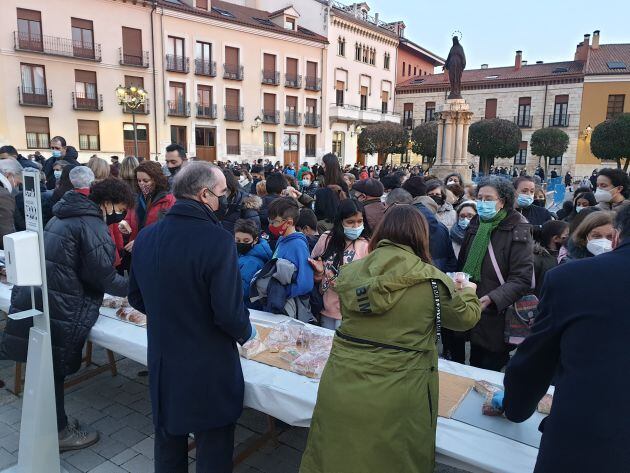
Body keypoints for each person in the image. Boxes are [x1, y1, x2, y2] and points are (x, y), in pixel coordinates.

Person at [300, 205, 480, 473]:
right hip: (400, 390)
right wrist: (468, 292)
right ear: (421, 237)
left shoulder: (352, 272)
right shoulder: (432, 282)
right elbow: (465, 318)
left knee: (337, 455)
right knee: (393, 458)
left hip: (343, 379)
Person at [128, 162, 254, 472]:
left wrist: (169, 314)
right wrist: (246, 332)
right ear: (205, 194)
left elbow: (136, 297)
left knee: (169, 443)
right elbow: (228, 313)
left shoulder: (146, 236)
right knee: (213, 447)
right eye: (222, 194)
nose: (224, 200)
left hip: (164, 360)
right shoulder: (217, 239)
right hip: (208, 364)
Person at [1, 177, 134, 450]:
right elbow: (104, 277)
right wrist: (136, 287)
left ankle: (53, 424)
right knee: (55, 367)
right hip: (63, 304)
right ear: (106, 203)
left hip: (47, 298)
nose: (119, 214)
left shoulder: (64, 214)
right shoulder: (91, 224)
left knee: (49, 367)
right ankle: (58, 432)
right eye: (119, 207)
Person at [495, 206, 630, 473]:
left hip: (587, 442)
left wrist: (515, 406)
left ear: (616, 237)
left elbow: (535, 359)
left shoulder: (574, 279)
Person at [458, 176, 534, 371]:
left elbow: (522, 278)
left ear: (503, 201)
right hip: (471, 306)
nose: (483, 203)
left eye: (489, 198)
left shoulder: (518, 227)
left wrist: (493, 298)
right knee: (474, 362)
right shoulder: (477, 222)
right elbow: (463, 262)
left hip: (498, 312)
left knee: (490, 366)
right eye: (480, 197)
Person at [309, 199, 370, 330]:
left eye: (360, 221)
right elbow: (313, 272)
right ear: (340, 221)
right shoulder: (326, 239)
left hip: (351, 313)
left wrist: (344, 285)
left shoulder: (366, 245)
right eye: (350, 222)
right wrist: (319, 273)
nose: (355, 226)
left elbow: (369, 284)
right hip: (324, 309)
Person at [402, 176, 457, 272]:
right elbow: (451, 260)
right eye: (431, 194)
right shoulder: (441, 226)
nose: (435, 197)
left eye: (437, 194)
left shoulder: (404, 221)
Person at [122, 161, 176, 254]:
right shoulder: (136, 198)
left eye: (145, 181)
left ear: (156, 180)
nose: (141, 184)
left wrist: (142, 242)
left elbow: (170, 230)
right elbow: (128, 219)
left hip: (157, 253)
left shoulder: (169, 200)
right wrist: (124, 225)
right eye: (139, 180)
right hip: (135, 252)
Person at [267, 197, 314, 301]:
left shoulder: (298, 246)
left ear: (288, 223)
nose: (270, 225)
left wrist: (282, 294)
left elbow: (306, 283)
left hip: (288, 304)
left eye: (274, 222)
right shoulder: (281, 238)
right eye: (269, 221)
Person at [235, 219, 272, 307]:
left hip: (246, 307)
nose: (241, 243)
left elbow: (241, 290)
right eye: (238, 240)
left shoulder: (252, 262)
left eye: (246, 241)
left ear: (255, 240)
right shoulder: (242, 255)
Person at [314, 154, 349, 232]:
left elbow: (346, 202)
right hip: (324, 221)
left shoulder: (341, 183)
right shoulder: (324, 180)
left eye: (323, 163)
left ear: (329, 165)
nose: (322, 166)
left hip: (334, 223)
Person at [533, 220, 568, 297]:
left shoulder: (561, 254)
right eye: (566, 235)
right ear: (555, 238)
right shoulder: (539, 259)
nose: (568, 238)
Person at [221, 169, 261, 233]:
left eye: (222, 190)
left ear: (230, 188)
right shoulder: (213, 204)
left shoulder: (247, 206)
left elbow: (254, 234)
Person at [0, 159, 19, 247]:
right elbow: (6, 233)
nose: (15, 186)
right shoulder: (3, 195)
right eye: (17, 183)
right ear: (9, 175)